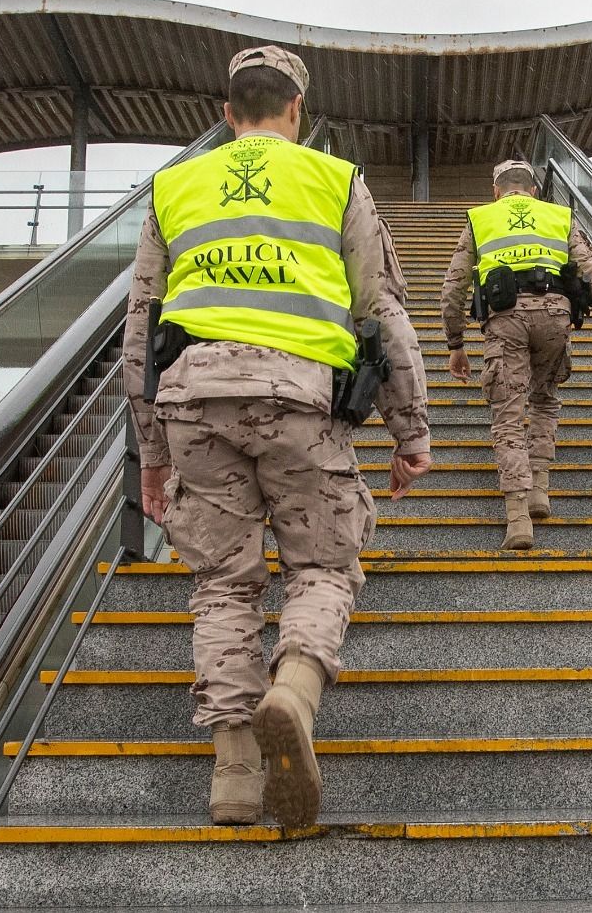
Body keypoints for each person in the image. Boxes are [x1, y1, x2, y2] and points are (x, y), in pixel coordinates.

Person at [123, 45, 431, 830]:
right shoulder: (334, 180)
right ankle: (293, 689)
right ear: (299, 110)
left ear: (227, 115)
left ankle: (234, 773)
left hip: (193, 402)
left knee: (223, 584)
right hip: (301, 400)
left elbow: (140, 325)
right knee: (323, 565)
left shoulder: (173, 187)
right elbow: (384, 309)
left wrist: (150, 454)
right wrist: (409, 430)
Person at [439, 159, 592, 549]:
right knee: (544, 401)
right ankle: (540, 490)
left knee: (508, 416)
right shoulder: (558, 216)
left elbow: (454, 284)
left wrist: (456, 343)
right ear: (534, 191)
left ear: (496, 191)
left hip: (505, 319)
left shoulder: (481, 218)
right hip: (555, 317)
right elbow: (591, 268)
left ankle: (519, 520)